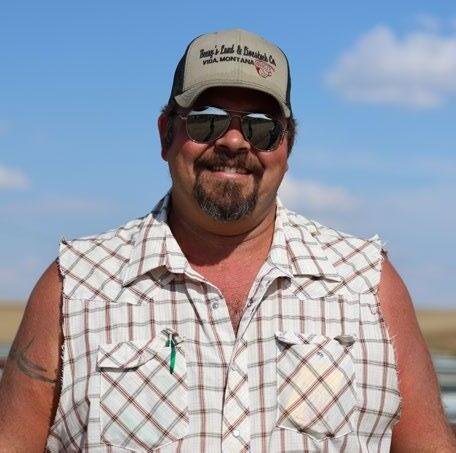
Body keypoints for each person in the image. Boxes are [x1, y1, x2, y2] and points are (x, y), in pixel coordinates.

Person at [0, 28, 454, 453]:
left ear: (288, 147)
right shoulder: (74, 287)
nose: (234, 141)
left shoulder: (367, 286)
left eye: (261, 126)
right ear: (165, 134)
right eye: (207, 121)